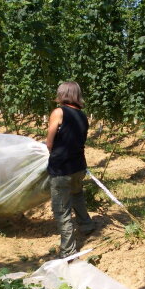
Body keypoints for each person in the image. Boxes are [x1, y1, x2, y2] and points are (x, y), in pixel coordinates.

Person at [46, 81, 95, 259]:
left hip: (61, 169)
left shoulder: (58, 112)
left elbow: (49, 142)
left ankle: (68, 250)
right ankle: (87, 225)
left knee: (61, 210)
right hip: (78, 166)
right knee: (77, 195)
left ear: (62, 94)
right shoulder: (82, 115)